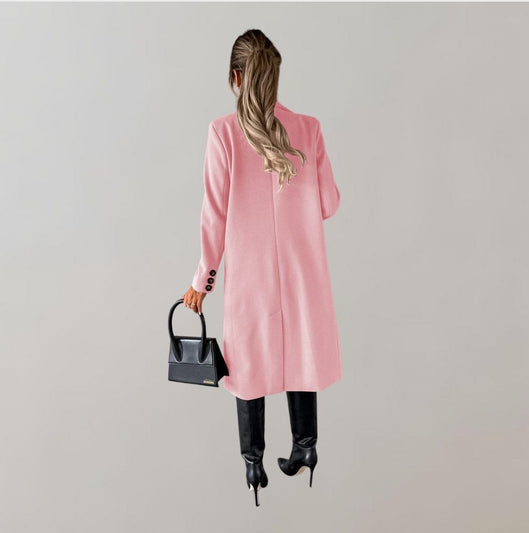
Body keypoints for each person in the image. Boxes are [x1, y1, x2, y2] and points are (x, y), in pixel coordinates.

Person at [182, 29, 342, 507]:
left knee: (247, 360)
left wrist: (202, 280)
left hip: (251, 275)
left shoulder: (223, 133)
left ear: (236, 78)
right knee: (301, 351)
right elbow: (329, 204)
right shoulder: (308, 128)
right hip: (301, 270)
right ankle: (306, 447)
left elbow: (215, 215)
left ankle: (253, 464)